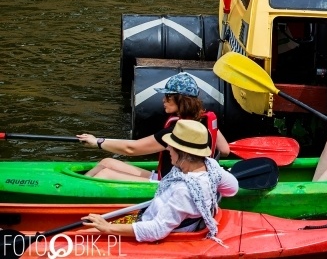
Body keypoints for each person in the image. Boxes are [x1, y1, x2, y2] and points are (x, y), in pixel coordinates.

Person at [82, 119, 239, 242]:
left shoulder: (183, 191)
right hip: (149, 217)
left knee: (81, 237)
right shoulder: (210, 165)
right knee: (83, 231)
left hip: (154, 230)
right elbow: (232, 188)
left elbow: (156, 230)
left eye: (171, 146)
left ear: (183, 153)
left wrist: (108, 228)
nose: (168, 149)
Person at [76, 72, 230, 181]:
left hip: (173, 184)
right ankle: (77, 186)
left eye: (168, 96)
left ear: (180, 100)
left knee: (105, 174)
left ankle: (74, 196)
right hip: (176, 175)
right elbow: (224, 150)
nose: (163, 99)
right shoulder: (205, 119)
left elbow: (132, 149)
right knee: (106, 163)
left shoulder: (177, 131)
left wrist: (97, 142)